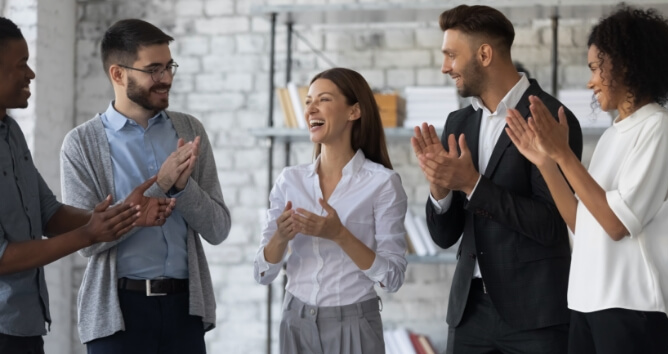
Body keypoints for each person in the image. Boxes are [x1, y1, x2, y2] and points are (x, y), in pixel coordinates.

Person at [411, 5, 583, 353]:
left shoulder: (551, 120)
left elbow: (552, 224)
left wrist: (473, 184)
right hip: (469, 313)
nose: (445, 67)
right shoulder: (458, 123)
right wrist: (440, 189)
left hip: (535, 317)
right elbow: (444, 237)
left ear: (484, 54)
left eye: (451, 55)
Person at [505, 5, 668, 353]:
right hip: (587, 302)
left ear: (626, 65)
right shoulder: (613, 135)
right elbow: (584, 224)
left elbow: (616, 225)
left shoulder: (658, 127)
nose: (590, 80)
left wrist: (564, 154)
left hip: (632, 306)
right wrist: (548, 163)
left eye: (597, 68)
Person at [0, 17, 173, 354]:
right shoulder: (81, 142)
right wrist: (88, 235)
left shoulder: (12, 133)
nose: (31, 73)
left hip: (26, 324)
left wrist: (129, 214)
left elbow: (48, 213)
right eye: (21, 64)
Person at [60, 19, 231, 353]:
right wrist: (163, 184)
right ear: (118, 74)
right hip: (117, 315)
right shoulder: (81, 144)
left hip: (185, 311)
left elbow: (218, 228)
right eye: (153, 69)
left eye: (169, 67)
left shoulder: (189, 129)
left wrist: (183, 189)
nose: (165, 78)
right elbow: (86, 243)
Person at [254, 67, 407, 354]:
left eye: (323, 99)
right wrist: (280, 237)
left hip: (354, 325)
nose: (311, 108)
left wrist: (340, 235)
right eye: (308, 101)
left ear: (354, 112)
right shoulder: (290, 180)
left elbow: (393, 277)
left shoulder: (383, 183)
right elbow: (262, 274)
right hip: (295, 321)